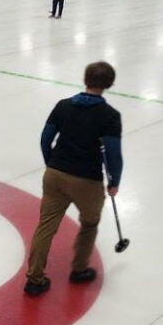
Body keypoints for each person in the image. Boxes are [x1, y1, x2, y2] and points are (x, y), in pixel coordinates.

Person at [24, 61, 123, 296]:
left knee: (46, 225)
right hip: (87, 181)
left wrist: (53, 164)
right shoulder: (109, 116)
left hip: (55, 175)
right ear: (109, 84)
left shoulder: (63, 106)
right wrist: (114, 181)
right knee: (89, 223)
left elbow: (45, 139)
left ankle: (34, 280)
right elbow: (113, 154)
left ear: (85, 79)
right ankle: (79, 269)